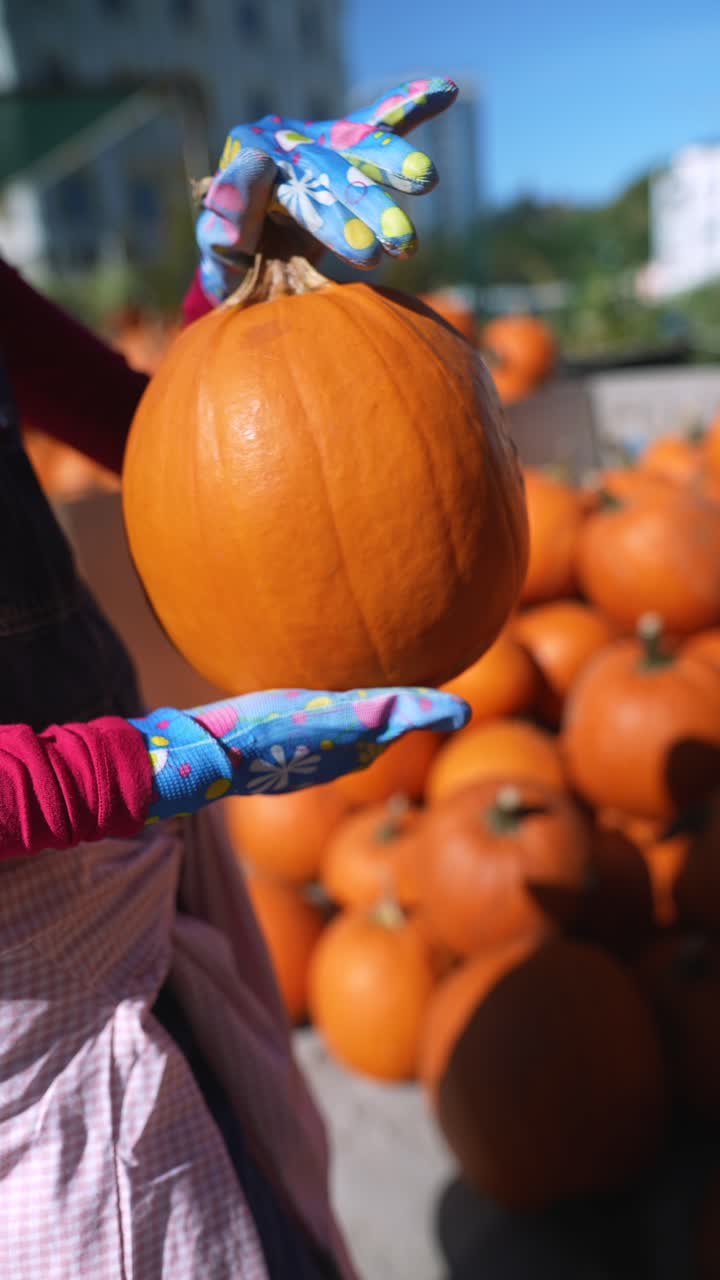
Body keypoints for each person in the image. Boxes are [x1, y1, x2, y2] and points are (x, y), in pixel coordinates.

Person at [0, 79, 462, 1278]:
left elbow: (159, 436)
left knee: (258, 1201)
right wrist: (146, 760)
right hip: (24, 983)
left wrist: (237, 273)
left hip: (130, 850)